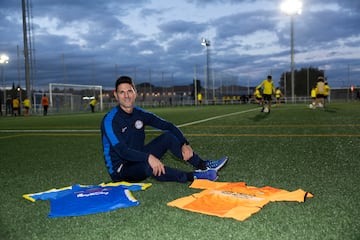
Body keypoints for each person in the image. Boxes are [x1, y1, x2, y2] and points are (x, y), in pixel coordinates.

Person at [101, 76, 228, 183]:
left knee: (168, 137)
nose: (126, 96)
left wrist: (184, 143)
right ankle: (193, 176)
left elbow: (168, 126)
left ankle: (203, 166)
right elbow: (123, 151)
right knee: (147, 165)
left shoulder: (140, 113)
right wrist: (148, 157)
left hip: (139, 158)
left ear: (135, 93)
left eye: (129, 91)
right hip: (121, 170)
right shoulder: (110, 120)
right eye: (122, 92)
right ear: (116, 95)